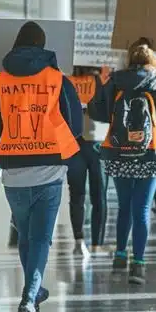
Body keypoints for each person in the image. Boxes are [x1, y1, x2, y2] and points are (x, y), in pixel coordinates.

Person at [0, 21, 81, 312]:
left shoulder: (0, 80)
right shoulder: (56, 79)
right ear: (42, 45)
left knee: (26, 236)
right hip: (49, 167)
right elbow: (74, 122)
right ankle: (29, 295)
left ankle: (33, 290)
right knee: (41, 238)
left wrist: (14, 132)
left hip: (13, 168)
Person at [90, 44, 156, 283]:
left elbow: (96, 110)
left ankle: (120, 255)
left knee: (124, 206)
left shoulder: (115, 80)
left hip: (119, 153)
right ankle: (138, 264)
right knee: (141, 209)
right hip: (150, 154)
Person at [67, 65, 110, 254]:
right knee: (99, 195)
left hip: (73, 144)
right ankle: (96, 243)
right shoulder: (99, 82)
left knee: (77, 195)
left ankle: (79, 241)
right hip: (96, 143)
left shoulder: (66, 81)